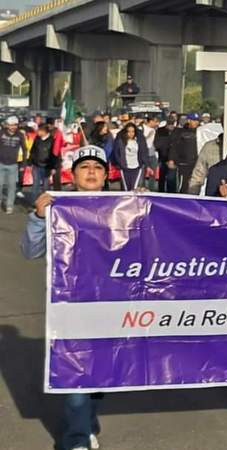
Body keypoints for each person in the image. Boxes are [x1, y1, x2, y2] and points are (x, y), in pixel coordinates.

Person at [21, 145, 109, 450]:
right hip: (72, 309)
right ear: (73, 175)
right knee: (76, 375)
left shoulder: (123, 206)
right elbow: (30, 251)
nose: (91, 172)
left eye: (97, 168)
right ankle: (76, 439)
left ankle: (87, 424)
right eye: (84, 167)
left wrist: (147, 206)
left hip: (114, 307)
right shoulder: (58, 208)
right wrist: (37, 217)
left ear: (106, 175)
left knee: (102, 376)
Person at [167, 113, 200, 193]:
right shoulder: (179, 131)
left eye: (197, 120)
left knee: (194, 186)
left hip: (196, 163)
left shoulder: (200, 132)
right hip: (183, 163)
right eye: (194, 120)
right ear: (189, 120)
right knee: (183, 185)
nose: (196, 122)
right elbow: (174, 146)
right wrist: (171, 159)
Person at [0, 116, 27, 214]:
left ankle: (9, 206)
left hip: (13, 165)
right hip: (1, 163)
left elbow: (24, 150)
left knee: (12, 186)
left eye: (15, 125)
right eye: (11, 125)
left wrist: (23, 164)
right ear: (7, 125)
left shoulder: (20, 135)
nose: (13, 127)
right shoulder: (1, 133)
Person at [112, 122, 148, 191]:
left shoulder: (139, 140)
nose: (131, 133)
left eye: (133, 131)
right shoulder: (120, 141)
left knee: (135, 189)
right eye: (129, 131)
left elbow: (144, 151)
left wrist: (145, 164)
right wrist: (120, 164)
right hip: (125, 168)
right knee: (126, 189)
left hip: (137, 168)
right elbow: (116, 153)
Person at [29, 124, 57, 202]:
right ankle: (34, 203)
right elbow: (32, 151)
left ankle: (45, 202)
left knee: (46, 186)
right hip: (36, 166)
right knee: (35, 185)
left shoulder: (52, 140)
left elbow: (55, 155)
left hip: (47, 167)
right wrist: (30, 162)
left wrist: (54, 167)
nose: (37, 132)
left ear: (44, 131)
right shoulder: (37, 139)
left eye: (39, 130)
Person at [155, 119, 177, 193]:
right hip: (163, 157)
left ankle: (171, 194)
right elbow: (157, 144)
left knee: (172, 179)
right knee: (162, 178)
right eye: (170, 124)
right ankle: (161, 193)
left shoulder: (177, 131)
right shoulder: (160, 131)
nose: (171, 126)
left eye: (172, 124)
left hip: (173, 159)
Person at [142, 116, 159, 191]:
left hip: (152, 152)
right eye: (155, 121)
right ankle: (142, 187)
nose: (156, 123)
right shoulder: (142, 128)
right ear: (151, 121)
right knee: (143, 172)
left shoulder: (154, 130)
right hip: (144, 152)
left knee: (153, 171)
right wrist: (148, 135)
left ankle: (151, 189)